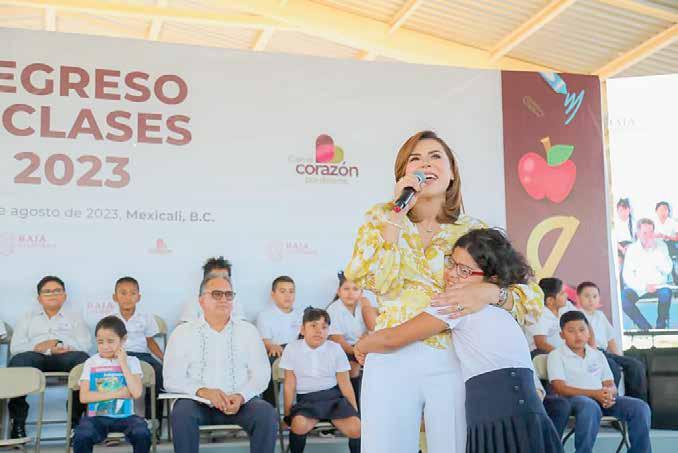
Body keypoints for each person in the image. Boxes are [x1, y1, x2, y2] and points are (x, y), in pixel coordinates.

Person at [345, 130, 544, 453]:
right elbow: (375, 280)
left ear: (452, 173)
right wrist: (395, 214)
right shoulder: (380, 219)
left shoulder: (473, 230)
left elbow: (531, 298)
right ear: (402, 174)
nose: (425, 164)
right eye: (415, 159)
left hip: (453, 358)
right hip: (388, 354)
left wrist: (492, 293)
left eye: (435, 156)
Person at [354, 228, 561, 452]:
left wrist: (363, 345)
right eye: (451, 263)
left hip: (496, 414)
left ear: (491, 279)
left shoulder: (457, 301)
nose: (452, 273)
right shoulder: (503, 307)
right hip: (527, 412)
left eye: (464, 271)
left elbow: (392, 339)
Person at [163, 273, 277, 453]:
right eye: (217, 294)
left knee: (266, 413)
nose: (224, 299)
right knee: (181, 412)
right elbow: (171, 379)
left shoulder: (248, 331)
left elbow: (262, 374)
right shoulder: (182, 333)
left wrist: (241, 396)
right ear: (201, 300)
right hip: (198, 403)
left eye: (228, 295)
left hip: (239, 403)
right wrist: (204, 392)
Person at [547, 311, 651, 453]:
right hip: (574, 400)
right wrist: (594, 394)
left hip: (602, 399)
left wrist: (609, 393)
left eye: (582, 330)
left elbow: (610, 383)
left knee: (640, 407)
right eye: (571, 331)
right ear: (562, 335)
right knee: (589, 406)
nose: (578, 335)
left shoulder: (597, 355)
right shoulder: (556, 355)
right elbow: (560, 388)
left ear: (589, 333)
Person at [9, 276, 91, 438]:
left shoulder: (75, 317)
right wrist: (40, 347)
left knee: (83, 362)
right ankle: (17, 424)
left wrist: (62, 346)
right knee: (17, 362)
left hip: (65, 356)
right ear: (39, 298)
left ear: (64, 295)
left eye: (57, 291)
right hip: (35, 356)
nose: (52, 295)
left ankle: (76, 424)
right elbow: (16, 347)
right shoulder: (28, 317)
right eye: (47, 292)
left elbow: (85, 345)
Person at [281, 307, 361, 453]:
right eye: (313, 326)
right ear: (302, 329)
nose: (319, 331)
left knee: (356, 428)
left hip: (334, 399)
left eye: (324, 327)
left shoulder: (335, 348)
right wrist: (287, 415)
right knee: (298, 424)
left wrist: (354, 411)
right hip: (307, 400)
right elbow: (289, 384)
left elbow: (345, 383)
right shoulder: (292, 349)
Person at [73, 316, 151, 453]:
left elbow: (136, 393)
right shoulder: (91, 362)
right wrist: (117, 393)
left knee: (142, 432)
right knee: (82, 434)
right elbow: (84, 397)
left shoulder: (132, 361)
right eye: (100, 342)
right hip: (97, 417)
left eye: (110, 341)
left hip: (126, 416)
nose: (105, 347)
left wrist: (123, 363)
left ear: (123, 340)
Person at [106, 277, 164, 429]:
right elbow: (106, 342)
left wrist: (163, 358)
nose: (128, 297)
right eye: (123, 293)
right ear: (115, 297)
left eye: (132, 293)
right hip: (118, 356)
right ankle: (110, 422)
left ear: (139, 297)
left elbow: (150, 341)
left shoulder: (146, 316)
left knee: (158, 372)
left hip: (142, 356)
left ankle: (153, 421)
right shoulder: (110, 319)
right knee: (106, 374)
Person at [577, 281, 647, 401]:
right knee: (612, 367)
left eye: (595, 296)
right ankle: (612, 400)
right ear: (578, 298)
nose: (591, 300)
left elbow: (611, 340)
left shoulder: (600, 315)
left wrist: (620, 358)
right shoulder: (576, 316)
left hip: (604, 352)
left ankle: (636, 402)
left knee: (635, 365)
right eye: (587, 296)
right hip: (589, 353)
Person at [256, 275, 303, 407]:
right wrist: (273, 346)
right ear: (273, 294)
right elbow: (265, 342)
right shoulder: (265, 315)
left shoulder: (301, 315)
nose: (288, 295)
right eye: (283, 291)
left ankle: (304, 407)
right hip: (277, 352)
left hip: (297, 351)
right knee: (268, 363)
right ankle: (271, 407)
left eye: (291, 291)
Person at [621, 218, 673, 329]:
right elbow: (627, 275)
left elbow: (668, 269)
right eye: (645, 233)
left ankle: (661, 326)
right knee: (623, 299)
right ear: (638, 233)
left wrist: (656, 252)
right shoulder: (632, 250)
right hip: (639, 288)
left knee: (666, 293)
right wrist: (644, 286)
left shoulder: (662, 246)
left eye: (651, 232)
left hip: (659, 286)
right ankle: (645, 328)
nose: (648, 236)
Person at [177, 257, 244, 323]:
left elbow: (242, 324)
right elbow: (184, 325)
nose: (220, 280)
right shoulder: (194, 301)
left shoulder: (234, 300)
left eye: (224, 277)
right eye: (214, 277)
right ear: (205, 279)